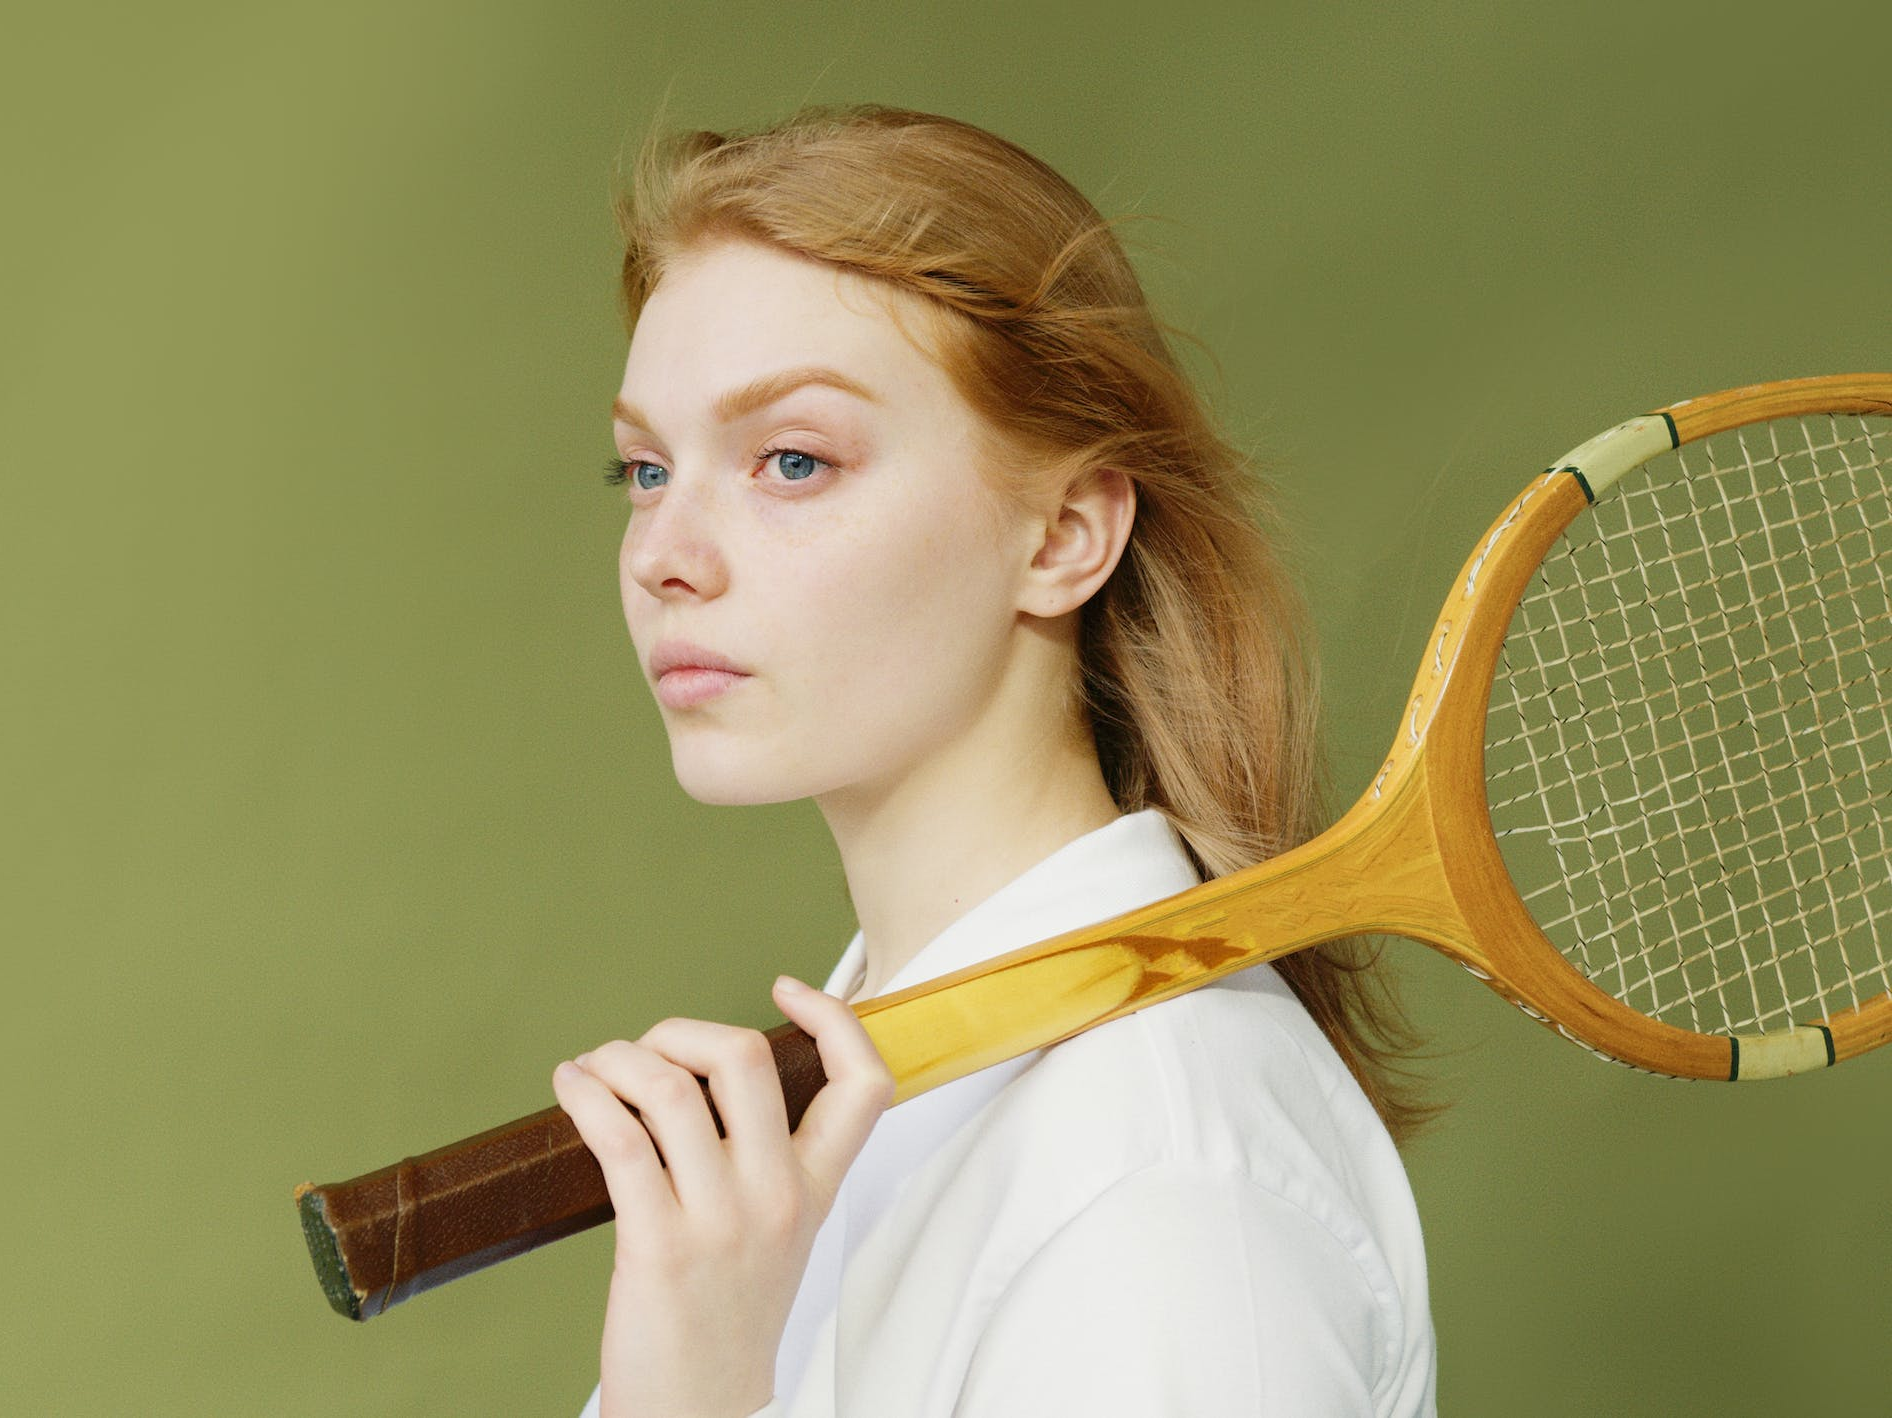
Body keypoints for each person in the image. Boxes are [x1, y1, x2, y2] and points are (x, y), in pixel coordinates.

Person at [549, 103, 1441, 1418]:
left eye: (792, 459)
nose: (664, 552)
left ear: (1065, 533)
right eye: (644, 467)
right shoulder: (871, 1097)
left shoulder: (1167, 1187)